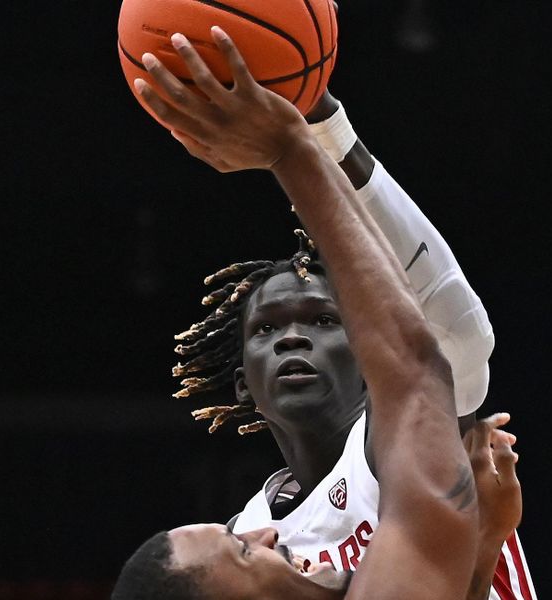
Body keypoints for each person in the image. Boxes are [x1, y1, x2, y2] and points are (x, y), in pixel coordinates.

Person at [112, 26, 522, 599]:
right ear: (240, 383)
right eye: (267, 328)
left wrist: (481, 564)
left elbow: (444, 330)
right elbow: (422, 352)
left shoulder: (259, 523)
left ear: (365, 353)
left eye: (326, 321)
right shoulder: (255, 535)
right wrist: (302, 132)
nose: (291, 340)